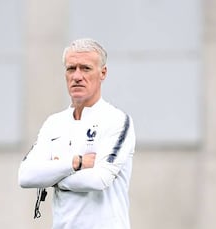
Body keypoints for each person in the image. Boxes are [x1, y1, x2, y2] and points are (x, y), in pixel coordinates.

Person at [18, 38, 136, 229]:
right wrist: (75, 163)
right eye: (71, 68)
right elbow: (25, 176)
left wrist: (53, 175)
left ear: (103, 73)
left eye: (86, 68)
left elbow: (99, 179)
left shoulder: (117, 120)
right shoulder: (53, 123)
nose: (77, 76)